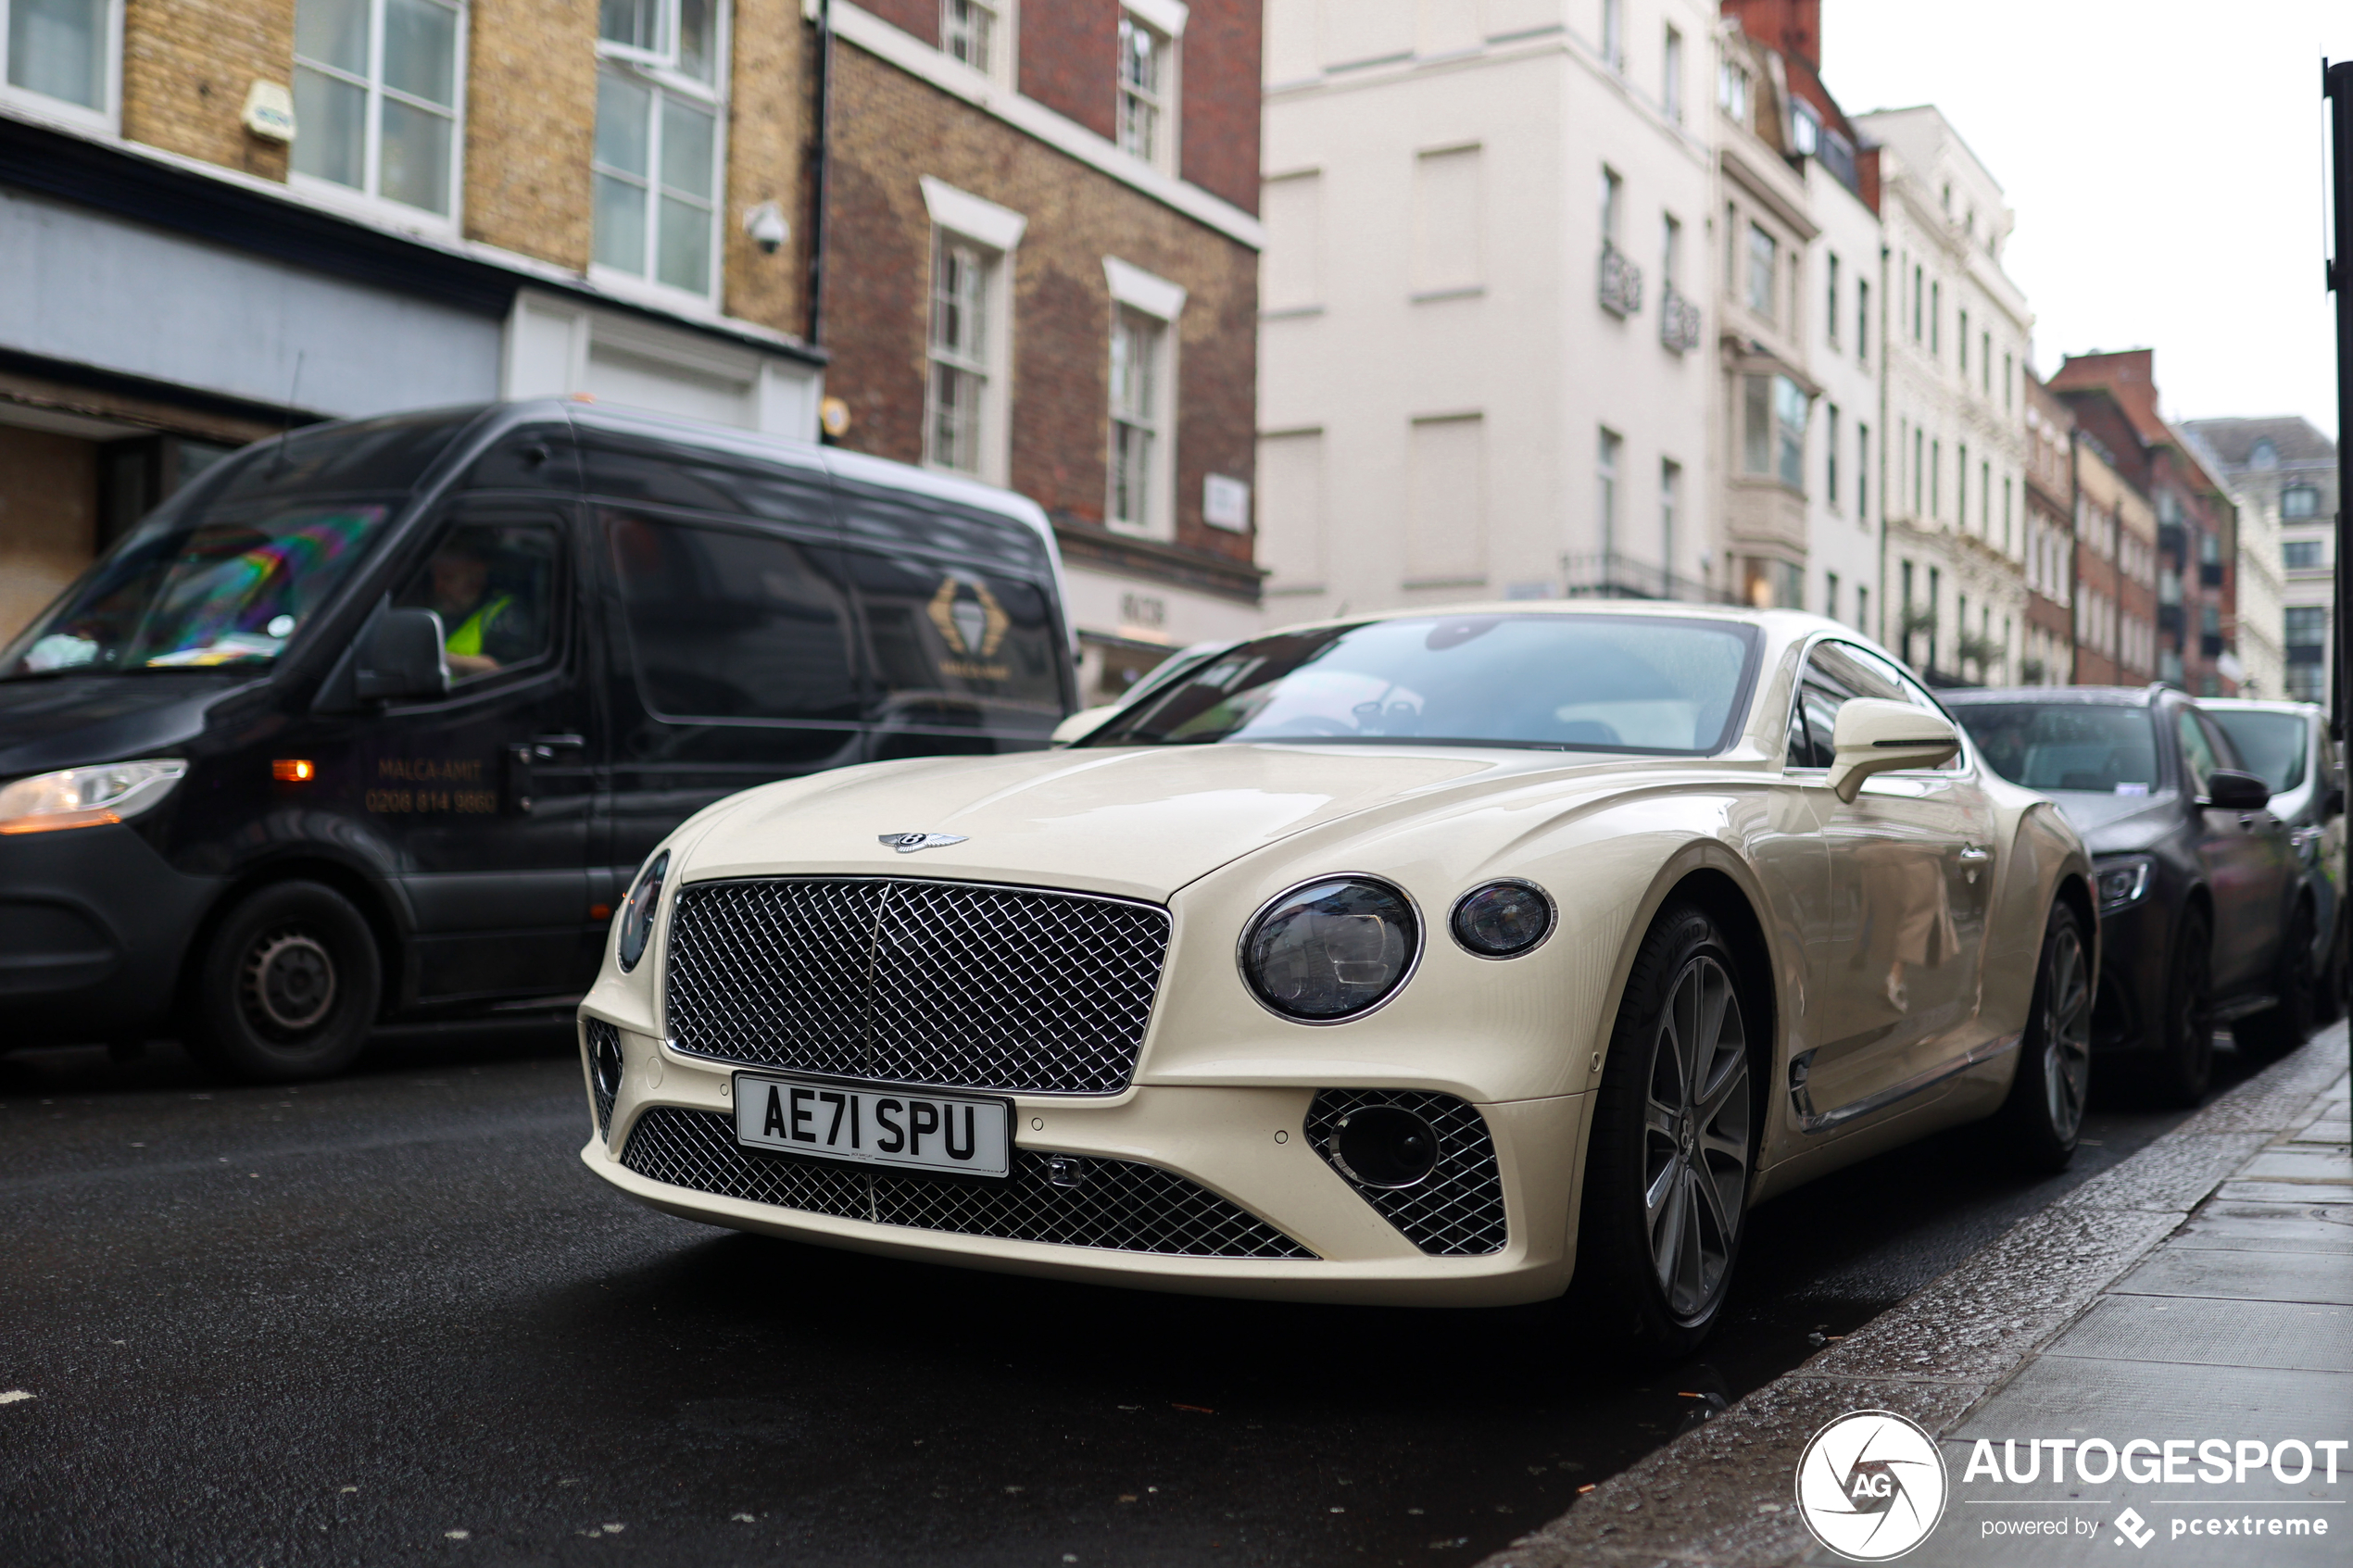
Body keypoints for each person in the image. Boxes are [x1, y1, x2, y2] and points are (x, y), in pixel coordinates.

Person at [417, 532, 537, 678]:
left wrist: (435, 660)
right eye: (435, 577)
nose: (438, 587)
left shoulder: (506, 616)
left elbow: (506, 674)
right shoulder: (437, 609)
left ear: (476, 577)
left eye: (448, 577)